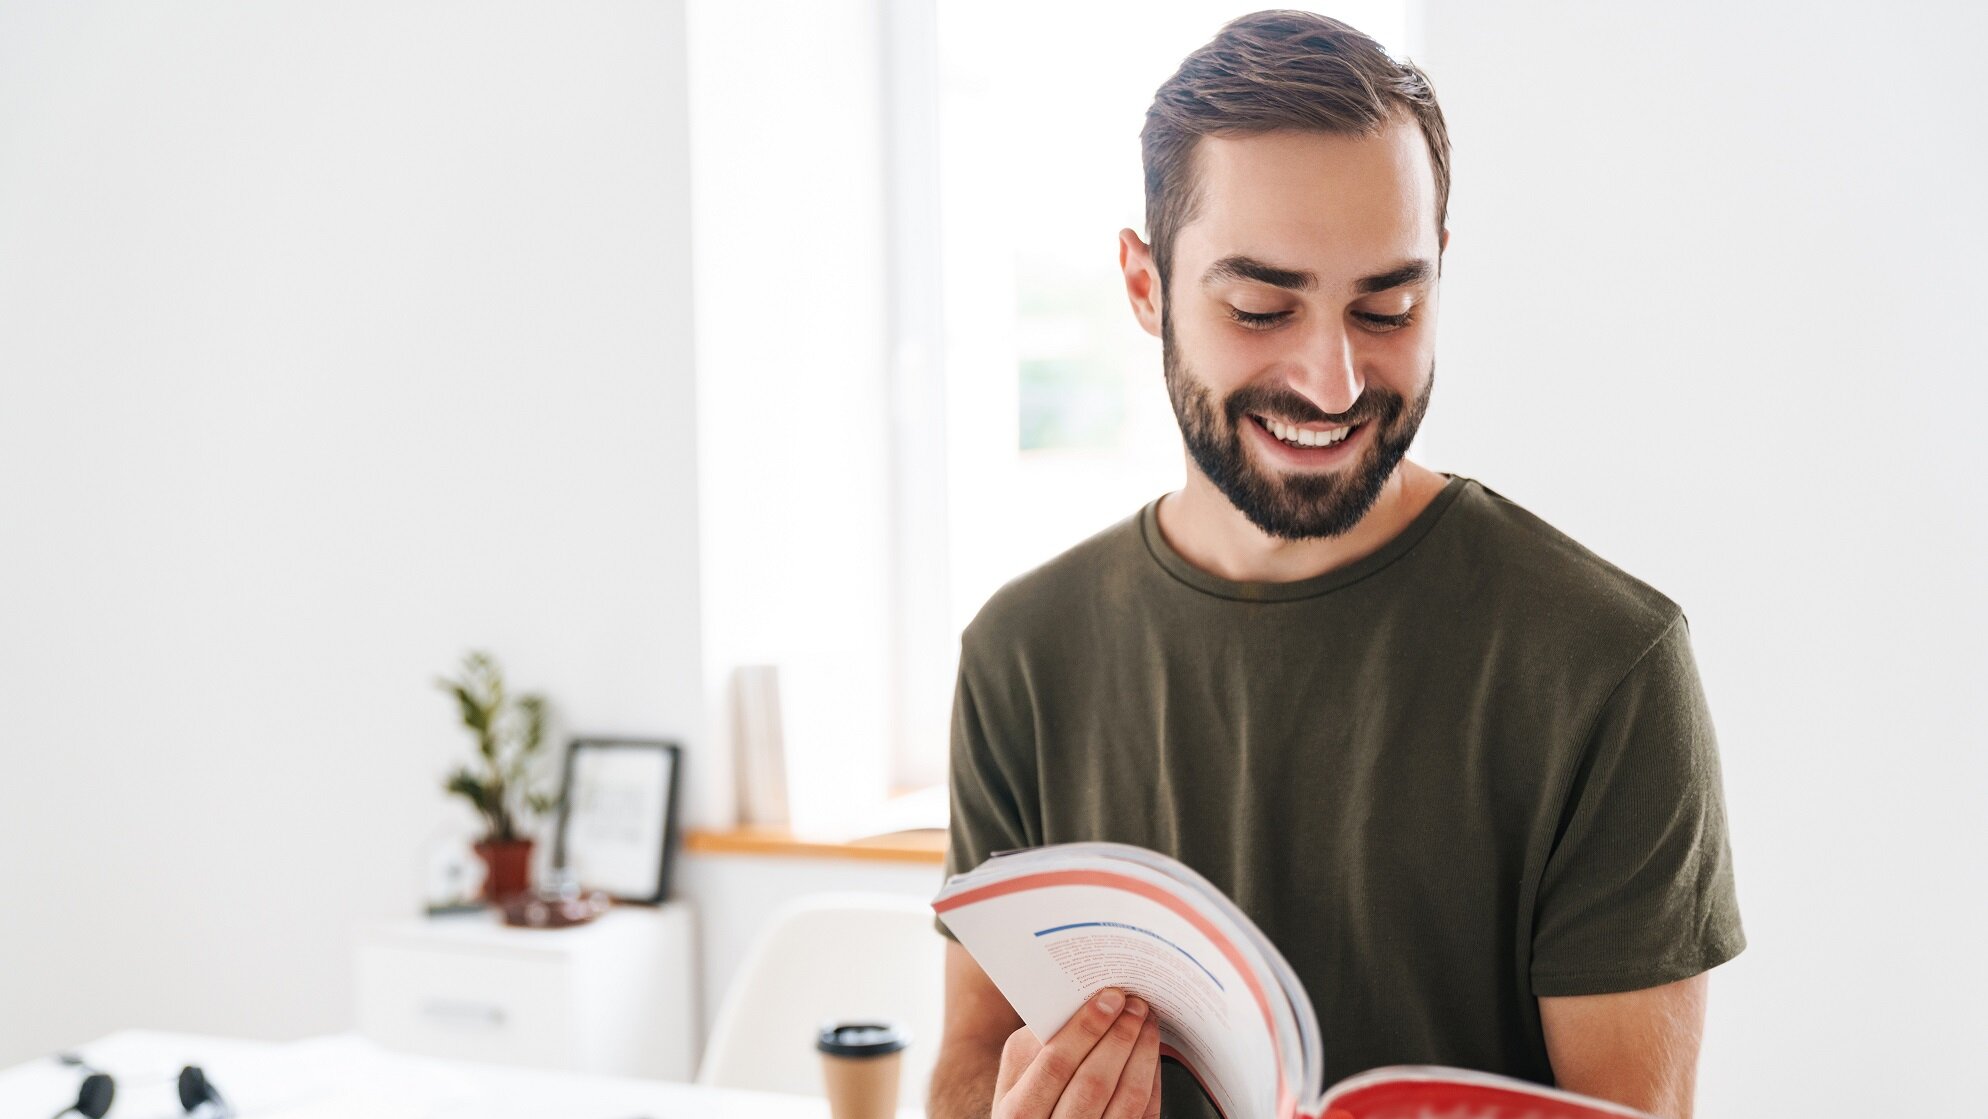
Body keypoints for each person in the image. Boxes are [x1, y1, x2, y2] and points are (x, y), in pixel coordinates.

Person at [925, 11, 1744, 1119]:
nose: (1332, 381)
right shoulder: (1022, 656)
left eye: (1387, 306)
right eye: (1261, 307)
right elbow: (970, 1062)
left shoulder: (1602, 666)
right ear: (1142, 285)